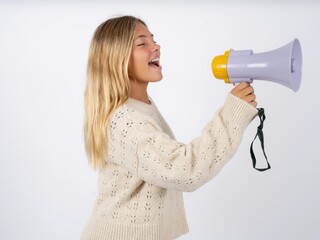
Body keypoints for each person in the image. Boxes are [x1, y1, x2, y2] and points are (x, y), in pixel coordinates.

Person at [81, 15, 258, 240]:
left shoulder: (140, 107)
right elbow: (184, 170)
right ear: (118, 60)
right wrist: (232, 114)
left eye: (153, 40)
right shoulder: (126, 120)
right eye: (142, 43)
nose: (156, 46)